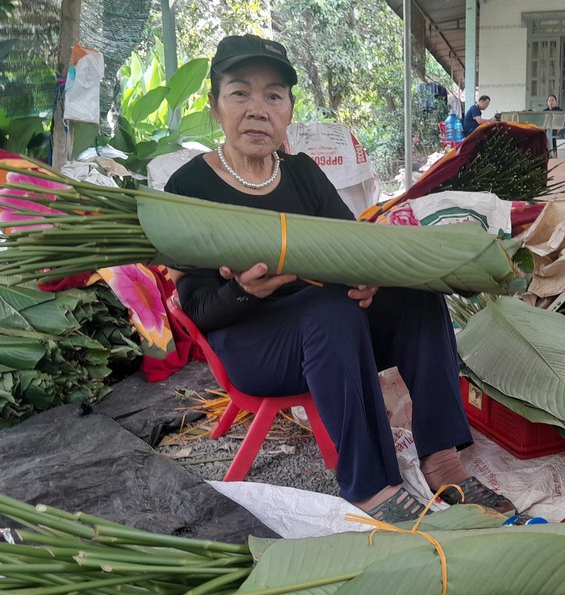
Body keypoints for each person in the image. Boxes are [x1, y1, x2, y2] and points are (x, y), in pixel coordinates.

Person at [163, 34, 515, 523]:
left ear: (288, 109)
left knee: (415, 297)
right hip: (252, 342)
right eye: (239, 93)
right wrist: (242, 291)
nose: (257, 110)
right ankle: (371, 487)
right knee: (330, 312)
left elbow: (351, 247)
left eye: (273, 95)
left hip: (334, 331)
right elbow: (196, 307)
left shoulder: (303, 174)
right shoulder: (189, 187)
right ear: (215, 106)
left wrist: (368, 277)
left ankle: (441, 457)